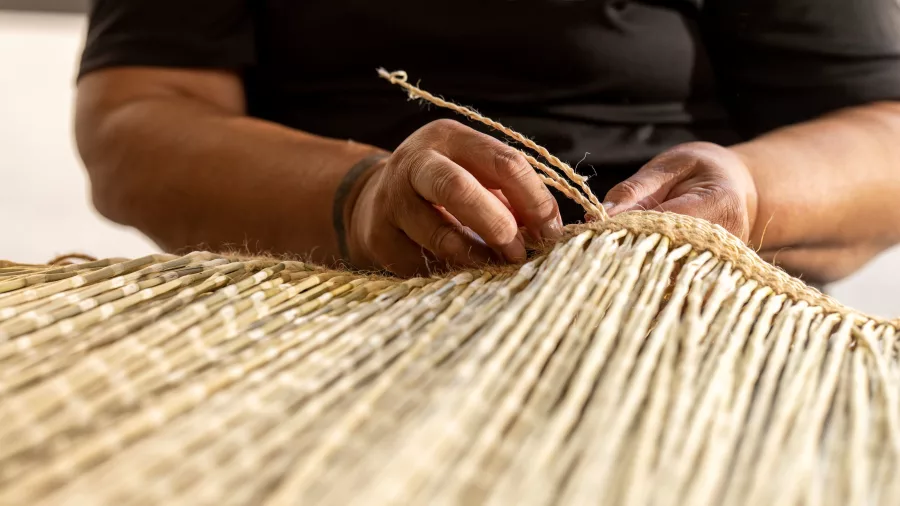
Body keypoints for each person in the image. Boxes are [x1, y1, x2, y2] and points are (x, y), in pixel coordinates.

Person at [75, 0, 900, 282]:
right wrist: (358, 198)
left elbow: (883, 136)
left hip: (678, 308)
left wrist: (747, 196)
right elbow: (135, 119)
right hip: (305, 285)